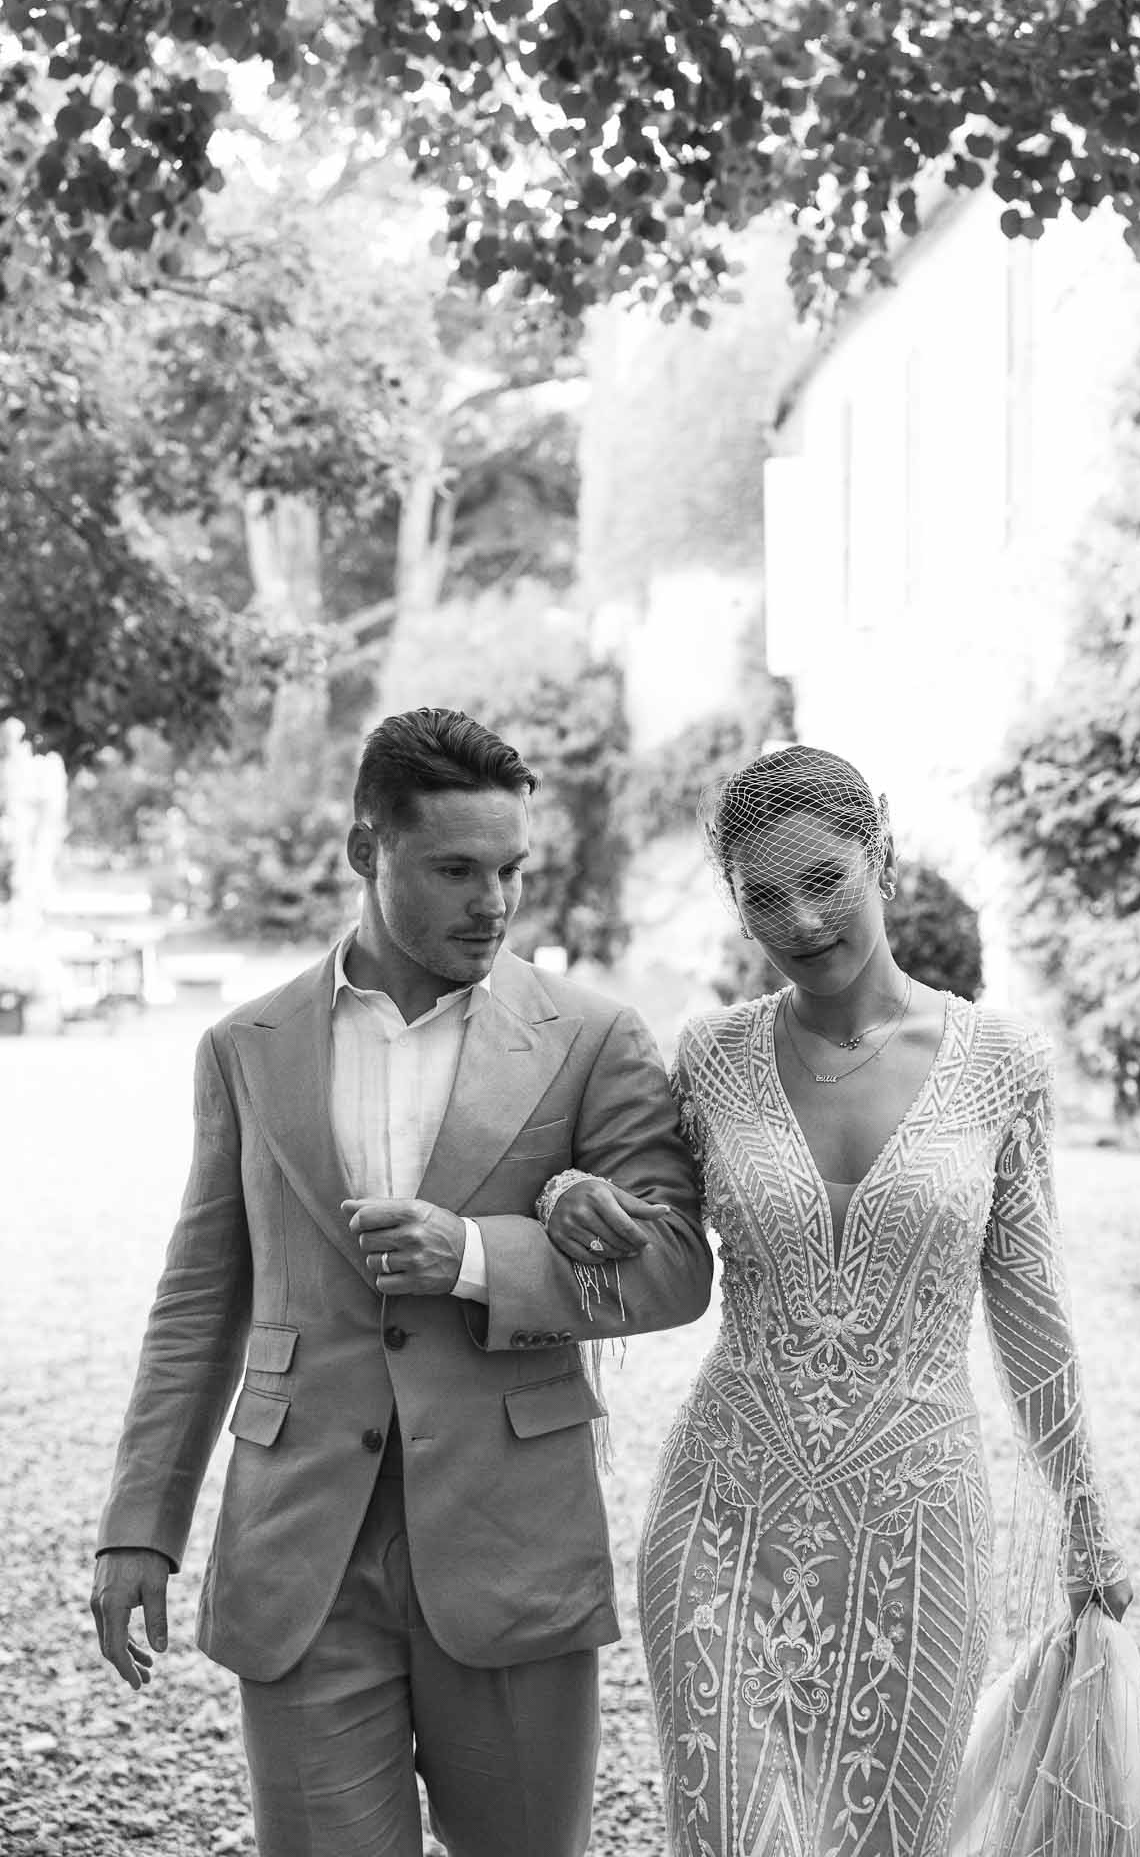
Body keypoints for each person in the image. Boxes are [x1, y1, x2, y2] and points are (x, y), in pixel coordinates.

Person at [90, 707, 713, 1857]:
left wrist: (478, 1257)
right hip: (303, 1551)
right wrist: (140, 1522)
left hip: (511, 1537)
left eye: (511, 869)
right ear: (363, 850)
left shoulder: (591, 1037)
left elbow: (676, 1267)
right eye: (455, 868)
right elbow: (198, 1299)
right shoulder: (245, 1044)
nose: (494, 901)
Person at [543, 745, 1133, 1857]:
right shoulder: (709, 1055)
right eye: (762, 895)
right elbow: (654, 1226)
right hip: (724, 1522)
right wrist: (572, 1193)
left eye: (825, 878)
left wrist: (1083, 1511)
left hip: (918, 1529)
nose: (801, 918)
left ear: (885, 860)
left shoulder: (1000, 1059)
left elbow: (1032, 1312)